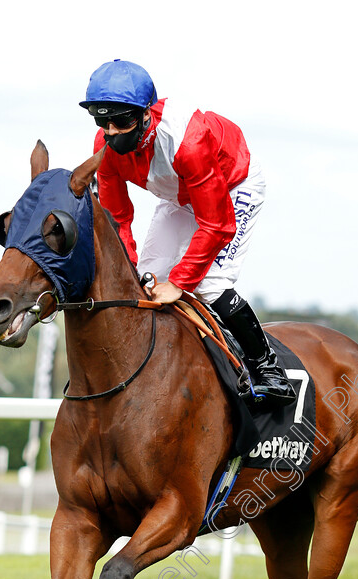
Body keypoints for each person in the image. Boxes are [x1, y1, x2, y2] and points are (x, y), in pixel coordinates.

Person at [79, 59, 295, 407]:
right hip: (179, 195)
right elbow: (118, 218)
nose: (112, 131)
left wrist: (179, 282)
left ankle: (268, 369)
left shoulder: (187, 141)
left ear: (146, 114)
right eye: (102, 121)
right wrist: (131, 269)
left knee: (208, 282)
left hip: (232, 186)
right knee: (146, 280)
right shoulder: (104, 148)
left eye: (121, 121)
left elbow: (216, 224)